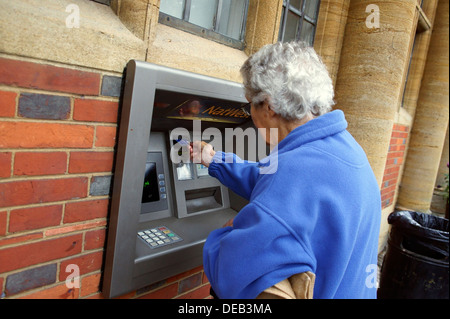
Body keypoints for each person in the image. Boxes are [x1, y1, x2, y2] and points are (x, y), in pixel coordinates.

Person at [191, 41, 381, 299]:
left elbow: (230, 270)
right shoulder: (345, 149)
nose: (249, 113)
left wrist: (228, 233)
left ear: (268, 106)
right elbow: (269, 178)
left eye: (250, 103)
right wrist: (214, 160)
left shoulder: (294, 171)